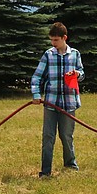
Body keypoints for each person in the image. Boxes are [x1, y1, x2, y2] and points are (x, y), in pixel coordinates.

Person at [30, 22, 85, 177]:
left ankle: (70, 164)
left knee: (67, 136)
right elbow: (36, 77)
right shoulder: (48, 55)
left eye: (56, 40)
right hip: (51, 103)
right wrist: (36, 94)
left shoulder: (75, 54)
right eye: (51, 40)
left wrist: (77, 74)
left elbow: (82, 73)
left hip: (69, 103)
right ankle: (45, 171)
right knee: (48, 136)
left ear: (64, 38)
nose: (53, 43)